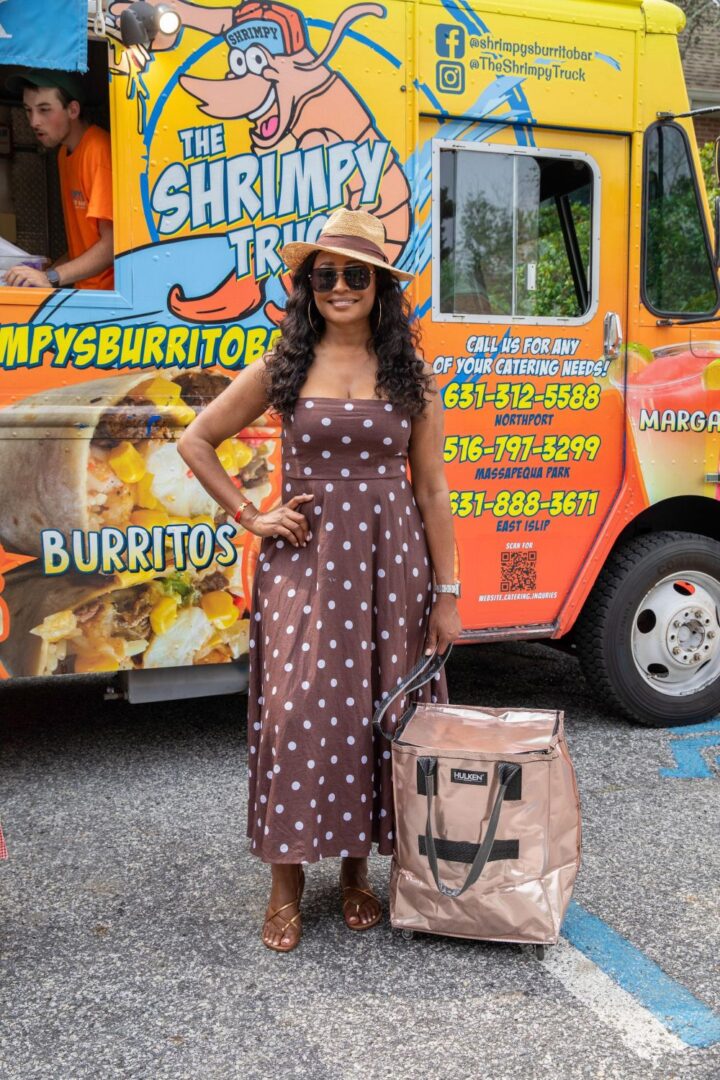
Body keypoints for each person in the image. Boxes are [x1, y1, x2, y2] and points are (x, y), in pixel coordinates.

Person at [178, 208, 462, 952]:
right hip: (306, 568)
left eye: (354, 274)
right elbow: (196, 438)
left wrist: (449, 594)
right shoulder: (285, 367)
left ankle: (357, 875)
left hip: (393, 569)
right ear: (307, 287)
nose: (339, 286)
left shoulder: (410, 375)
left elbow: (433, 491)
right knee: (300, 714)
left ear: (379, 287)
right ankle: (285, 885)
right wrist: (252, 514)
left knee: (377, 714)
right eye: (324, 275)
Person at [4, 70, 114, 291]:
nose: (34, 121)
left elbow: (112, 245)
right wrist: (44, 274)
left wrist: (51, 277)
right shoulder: (64, 153)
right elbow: (83, 246)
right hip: (85, 292)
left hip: (107, 301)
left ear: (72, 110)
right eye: (28, 110)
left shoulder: (98, 150)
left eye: (44, 110)